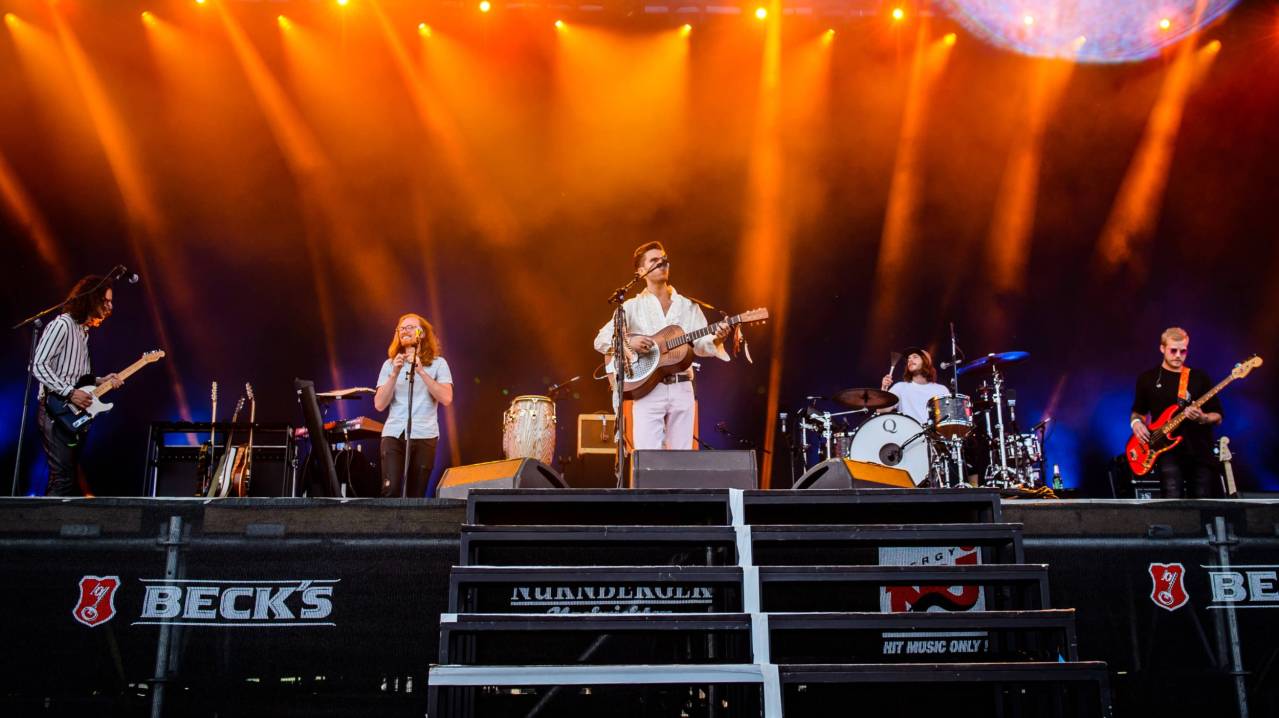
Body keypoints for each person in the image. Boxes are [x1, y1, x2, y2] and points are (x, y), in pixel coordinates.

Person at [593, 241, 731, 451]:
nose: (662, 262)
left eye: (664, 258)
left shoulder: (687, 305)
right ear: (641, 271)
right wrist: (629, 342)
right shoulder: (631, 307)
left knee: (682, 458)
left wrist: (718, 338)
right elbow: (601, 340)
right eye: (654, 260)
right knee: (648, 458)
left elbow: (702, 345)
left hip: (682, 386)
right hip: (647, 389)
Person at [31, 275, 122, 497]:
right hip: (55, 410)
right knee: (62, 478)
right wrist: (70, 393)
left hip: (70, 413)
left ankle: (50, 526)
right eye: (106, 301)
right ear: (91, 299)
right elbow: (38, 365)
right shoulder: (62, 325)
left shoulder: (83, 333)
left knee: (67, 477)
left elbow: (76, 376)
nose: (110, 306)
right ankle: (43, 529)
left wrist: (99, 381)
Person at [1130, 326, 1222, 498]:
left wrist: (1202, 417)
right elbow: (1138, 411)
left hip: (1199, 448)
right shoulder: (1147, 379)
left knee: (1203, 501)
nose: (1178, 355)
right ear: (1162, 348)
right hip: (1166, 449)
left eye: (1183, 351)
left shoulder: (1199, 378)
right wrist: (1136, 424)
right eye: (1173, 351)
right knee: (1172, 498)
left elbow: (1217, 416)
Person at [373, 313, 453, 498]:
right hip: (394, 433)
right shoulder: (389, 365)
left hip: (425, 434)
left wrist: (422, 372)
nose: (405, 331)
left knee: (416, 494)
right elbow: (379, 404)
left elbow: (447, 398)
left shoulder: (438, 364)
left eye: (410, 327)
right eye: (401, 328)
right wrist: (394, 374)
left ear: (422, 333)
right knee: (390, 489)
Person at [879, 347, 949, 425]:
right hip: (908, 435)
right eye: (909, 359)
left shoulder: (941, 390)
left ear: (926, 362)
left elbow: (948, 419)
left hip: (932, 436)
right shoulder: (900, 387)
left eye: (915, 357)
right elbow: (881, 411)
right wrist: (884, 390)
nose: (910, 360)